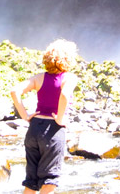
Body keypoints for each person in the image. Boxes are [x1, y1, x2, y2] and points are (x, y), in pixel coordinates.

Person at [11, 39, 79, 194]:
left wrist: (25, 115)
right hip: (52, 131)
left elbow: (15, 92)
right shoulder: (69, 78)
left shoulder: (38, 77)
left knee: (31, 182)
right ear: (68, 59)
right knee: (49, 183)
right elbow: (64, 95)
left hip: (34, 129)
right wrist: (60, 118)